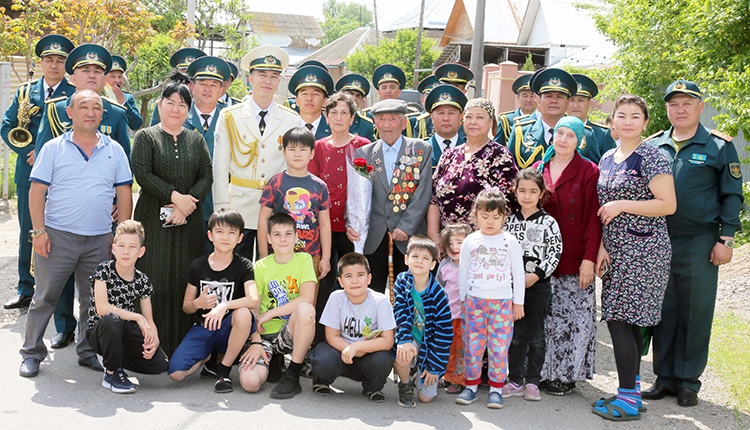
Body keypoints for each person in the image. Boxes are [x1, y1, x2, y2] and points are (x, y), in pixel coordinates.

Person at [643, 80, 744, 407]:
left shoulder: (718, 146)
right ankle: (664, 378)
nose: (680, 109)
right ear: (667, 109)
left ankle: (688, 381)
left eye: (687, 103)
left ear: (701, 107)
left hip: (700, 241)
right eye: (674, 104)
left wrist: (725, 238)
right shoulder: (654, 145)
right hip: (659, 239)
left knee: (695, 311)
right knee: (664, 309)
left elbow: (732, 195)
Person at [19, 89, 133, 378]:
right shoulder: (54, 148)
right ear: (70, 113)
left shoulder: (114, 149)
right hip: (57, 237)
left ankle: (86, 351)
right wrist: (39, 231)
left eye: (96, 107)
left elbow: (124, 193)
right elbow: (37, 191)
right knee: (44, 297)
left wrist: (121, 238)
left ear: (102, 114)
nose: (90, 112)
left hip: (99, 240)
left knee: (92, 301)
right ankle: (32, 353)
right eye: (83, 106)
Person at [35, 44, 131, 347]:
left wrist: (118, 209)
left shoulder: (114, 113)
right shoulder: (56, 108)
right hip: (60, 215)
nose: (92, 75)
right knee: (53, 284)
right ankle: (62, 327)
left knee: (93, 289)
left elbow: (122, 169)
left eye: (97, 71)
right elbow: (42, 166)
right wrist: (41, 225)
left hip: (99, 221)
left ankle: (87, 344)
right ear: (73, 75)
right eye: (85, 71)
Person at [591, 95, 676, 421]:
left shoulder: (652, 157)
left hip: (644, 251)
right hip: (616, 250)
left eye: (635, 116)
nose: (627, 121)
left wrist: (623, 204)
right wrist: (601, 246)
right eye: (621, 115)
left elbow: (667, 204)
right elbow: (603, 209)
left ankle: (627, 400)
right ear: (612, 121)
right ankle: (631, 392)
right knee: (619, 319)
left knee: (621, 321)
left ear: (645, 123)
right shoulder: (610, 156)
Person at [130, 72, 213, 356]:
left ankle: (182, 345)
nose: (175, 109)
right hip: (154, 219)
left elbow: (206, 176)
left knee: (185, 278)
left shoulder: (196, 139)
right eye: (170, 102)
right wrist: (175, 197)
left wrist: (187, 204)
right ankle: (151, 341)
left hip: (189, 221)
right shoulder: (145, 136)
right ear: (160, 105)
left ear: (188, 110)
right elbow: (143, 174)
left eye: (182, 104)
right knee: (154, 277)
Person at [2, 34, 75, 321]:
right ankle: (25, 287)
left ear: (66, 65)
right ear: (42, 63)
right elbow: (8, 125)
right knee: (28, 230)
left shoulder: (74, 93)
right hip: (29, 171)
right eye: (49, 60)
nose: (54, 65)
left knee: (61, 231)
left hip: (63, 175)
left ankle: (58, 296)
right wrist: (28, 151)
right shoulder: (24, 92)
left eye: (60, 61)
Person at [533, 116, 601, 396]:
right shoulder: (539, 168)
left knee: (573, 321)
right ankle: (542, 372)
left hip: (575, 259)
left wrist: (589, 259)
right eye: (559, 133)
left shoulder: (588, 171)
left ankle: (567, 376)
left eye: (570, 135)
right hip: (542, 259)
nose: (562, 139)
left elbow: (593, 220)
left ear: (579, 140)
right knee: (546, 319)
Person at [213, 45, 300, 260]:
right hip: (238, 207)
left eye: (273, 76)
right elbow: (220, 167)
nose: (268, 81)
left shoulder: (291, 119)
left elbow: (294, 167)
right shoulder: (229, 116)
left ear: (279, 81)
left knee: (272, 268)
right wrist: (223, 210)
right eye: (262, 75)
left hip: (275, 208)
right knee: (236, 269)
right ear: (250, 79)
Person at [347, 99, 433, 294]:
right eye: (381, 119)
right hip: (373, 236)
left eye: (393, 119)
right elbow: (355, 194)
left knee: (410, 295)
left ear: (403, 123)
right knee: (372, 292)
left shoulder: (420, 149)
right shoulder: (364, 153)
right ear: (375, 123)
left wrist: (405, 226)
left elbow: (423, 192)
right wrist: (350, 223)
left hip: (409, 238)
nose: (386, 124)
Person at [168, 209, 259, 394]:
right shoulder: (198, 265)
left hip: (229, 328)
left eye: (231, 232)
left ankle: (224, 370)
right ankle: (208, 357)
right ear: (210, 235)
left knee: (242, 313)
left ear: (240, 238)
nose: (225, 237)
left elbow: (253, 299)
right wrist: (197, 303)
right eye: (220, 231)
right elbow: (186, 306)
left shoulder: (244, 265)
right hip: (204, 326)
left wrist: (224, 305)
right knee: (175, 374)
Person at [309, 92, 371, 343]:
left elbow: (368, 186)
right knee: (322, 280)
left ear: (353, 117)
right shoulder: (319, 147)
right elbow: (312, 186)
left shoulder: (363, 145)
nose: (338, 117)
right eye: (333, 112)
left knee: (351, 279)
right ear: (325, 116)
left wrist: (357, 221)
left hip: (352, 228)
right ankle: (320, 336)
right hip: (324, 225)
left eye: (344, 112)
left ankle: (352, 333)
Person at [456, 189, 525, 409]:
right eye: (485, 216)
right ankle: (471, 387)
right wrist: (463, 298)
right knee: (473, 346)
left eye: (496, 217)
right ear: (475, 215)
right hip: (474, 301)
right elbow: (463, 271)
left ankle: (496, 389)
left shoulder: (510, 241)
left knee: (498, 347)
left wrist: (518, 303)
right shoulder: (470, 240)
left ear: (504, 217)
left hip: (502, 303)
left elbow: (519, 274)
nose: (490, 222)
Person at [86, 220, 169, 394]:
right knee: (112, 320)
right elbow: (102, 308)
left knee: (160, 364)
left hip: (123, 331)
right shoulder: (103, 270)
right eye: (121, 246)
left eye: (132, 247)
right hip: (101, 332)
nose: (125, 251)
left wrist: (154, 338)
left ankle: (115, 358)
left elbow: (149, 319)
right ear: (114, 248)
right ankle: (111, 373)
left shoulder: (142, 280)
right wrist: (138, 317)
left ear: (141, 252)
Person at [503, 168, 562, 402]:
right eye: (522, 191)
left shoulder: (548, 222)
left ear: (541, 194)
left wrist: (536, 275)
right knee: (515, 335)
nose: (527, 196)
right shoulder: (508, 222)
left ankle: (533, 382)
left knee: (536, 334)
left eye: (533, 191)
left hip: (538, 286)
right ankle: (515, 379)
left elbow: (555, 252)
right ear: (515, 192)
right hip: (512, 288)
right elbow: (502, 251)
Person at [427, 98, 518, 245]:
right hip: (448, 245)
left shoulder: (500, 156)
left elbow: (508, 206)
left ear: (491, 123)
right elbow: (433, 199)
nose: (473, 122)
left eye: (480, 117)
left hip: (483, 244)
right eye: (469, 117)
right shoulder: (449, 155)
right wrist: (435, 237)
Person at [309, 252, 396, 402]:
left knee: (383, 360)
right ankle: (321, 381)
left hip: (367, 355)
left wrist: (358, 347)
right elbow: (331, 336)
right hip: (340, 353)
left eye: (360, 275)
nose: (355, 281)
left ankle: (372, 388)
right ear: (341, 282)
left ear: (369, 278)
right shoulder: (336, 298)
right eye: (348, 276)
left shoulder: (380, 302)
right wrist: (349, 349)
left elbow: (388, 341)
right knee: (323, 356)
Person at [258, 127, 332, 287]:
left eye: (303, 149)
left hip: (310, 255)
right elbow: (263, 219)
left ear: (312, 153)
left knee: (307, 304)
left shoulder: (320, 186)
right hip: (278, 254)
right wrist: (264, 255)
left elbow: (325, 223)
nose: (297, 154)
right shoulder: (275, 183)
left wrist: (325, 257)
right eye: (292, 149)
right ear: (284, 153)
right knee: (277, 302)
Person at [254, 212, 317, 399]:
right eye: (277, 234)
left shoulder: (304, 259)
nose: (283, 239)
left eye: (288, 234)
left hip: (289, 333)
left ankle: (293, 374)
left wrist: (270, 313)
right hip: (266, 335)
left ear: (296, 237)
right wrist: (255, 341)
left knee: (306, 310)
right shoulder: (259, 267)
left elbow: (307, 298)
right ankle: (273, 360)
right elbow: (254, 311)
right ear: (268, 238)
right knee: (250, 382)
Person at [393, 236, 453, 408]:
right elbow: (400, 312)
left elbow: (444, 333)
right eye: (415, 257)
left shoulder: (439, 294)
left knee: (425, 398)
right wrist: (404, 340)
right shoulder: (402, 281)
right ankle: (405, 383)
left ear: (433, 265)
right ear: (406, 259)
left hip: (429, 345)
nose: (419, 261)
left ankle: (420, 371)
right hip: (409, 337)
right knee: (404, 354)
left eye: (425, 258)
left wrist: (435, 366)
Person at [508, 68, 577, 169]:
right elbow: (509, 171)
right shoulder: (521, 131)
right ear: (539, 100)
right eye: (548, 96)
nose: (553, 101)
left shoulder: (582, 134)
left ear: (568, 101)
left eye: (560, 97)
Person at [436, 223, 474, 394]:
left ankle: (460, 380)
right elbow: (437, 287)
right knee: (447, 347)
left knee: (461, 349)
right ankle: (447, 376)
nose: (454, 247)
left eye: (459, 242)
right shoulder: (444, 264)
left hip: (465, 317)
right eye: (450, 243)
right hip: (446, 316)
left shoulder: (472, 265)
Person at [150, 47, 207, 126]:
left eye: (191, 75)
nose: (188, 80)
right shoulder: (164, 102)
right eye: (183, 75)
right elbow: (154, 133)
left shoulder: (210, 103)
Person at [568, 73, 616, 164]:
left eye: (581, 100)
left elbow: (607, 167)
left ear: (589, 103)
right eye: (571, 100)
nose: (575, 105)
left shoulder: (602, 134)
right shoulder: (556, 129)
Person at [361, 64, 419, 138]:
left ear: (399, 91)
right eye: (384, 88)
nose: (388, 91)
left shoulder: (411, 114)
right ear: (378, 92)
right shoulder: (368, 115)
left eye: (392, 87)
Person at [423, 84, 467, 169]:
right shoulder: (421, 149)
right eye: (441, 113)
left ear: (460, 118)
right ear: (432, 118)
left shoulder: (470, 149)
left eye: (451, 113)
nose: (446, 118)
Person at [288, 65, 334, 139]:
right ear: (296, 100)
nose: (309, 98)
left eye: (315, 94)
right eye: (304, 94)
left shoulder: (333, 129)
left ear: (324, 101)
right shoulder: (286, 126)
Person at [494, 74, 538, 146]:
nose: (529, 100)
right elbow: (498, 147)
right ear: (518, 98)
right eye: (525, 96)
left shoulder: (543, 119)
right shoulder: (507, 120)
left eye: (532, 96)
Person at [334, 73, 376, 142]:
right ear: (341, 95)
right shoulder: (330, 119)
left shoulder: (366, 125)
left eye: (358, 96)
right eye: (351, 93)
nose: (354, 98)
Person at [106, 55, 144, 130]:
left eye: (120, 77)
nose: (117, 80)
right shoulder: (98, 95)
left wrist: (123, 103)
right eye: (112, 76)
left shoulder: (127, 97)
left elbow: (136, 124)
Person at [413, 75, 439, 139]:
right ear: (422, 100)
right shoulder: (413, 121)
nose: (432, 98)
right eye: (428, 94)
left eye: (435, 95)